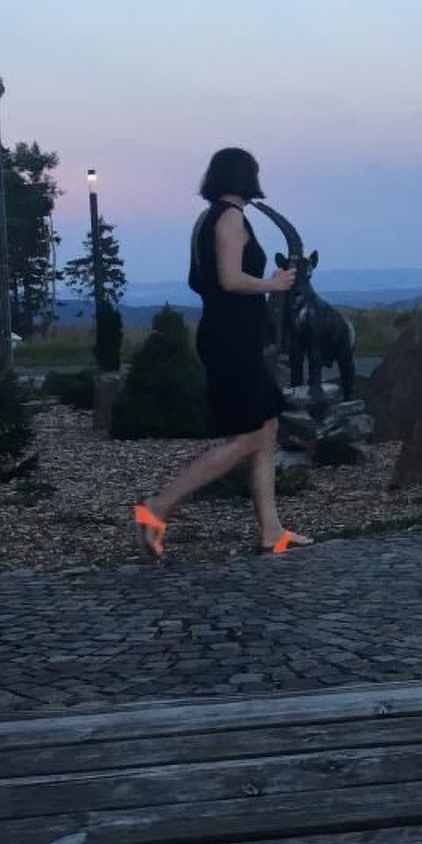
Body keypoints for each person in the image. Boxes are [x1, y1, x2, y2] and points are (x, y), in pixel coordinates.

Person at [131, 148, 312, 557]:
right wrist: (273, 284)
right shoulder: (230, 218)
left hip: (227, 333)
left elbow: (203, 281)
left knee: (266, 428)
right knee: (250, 436)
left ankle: (271, 531)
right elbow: (230, 279)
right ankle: (158, 506)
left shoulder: (206, 219)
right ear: (245, 177)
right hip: (233, 339)